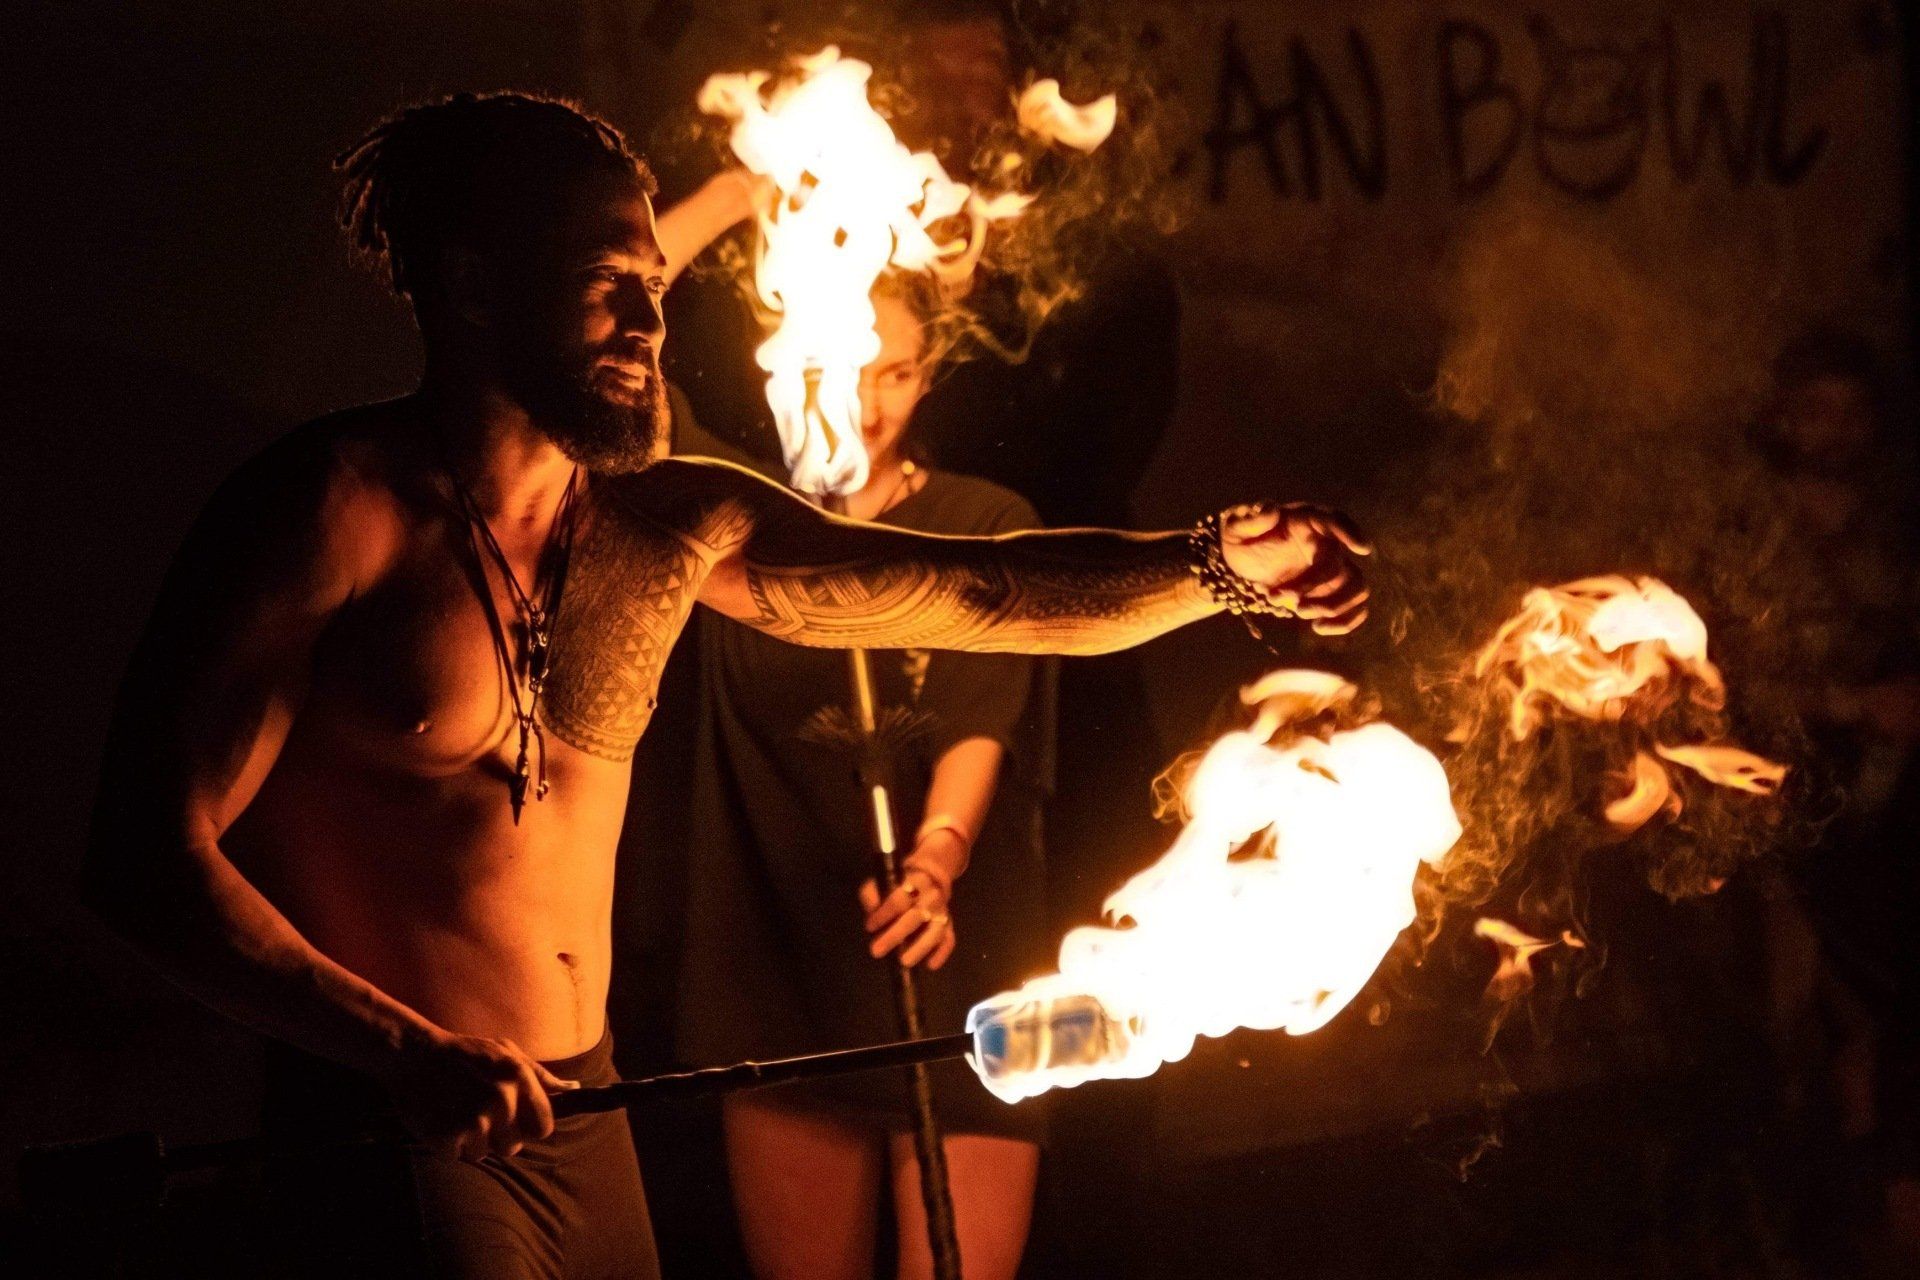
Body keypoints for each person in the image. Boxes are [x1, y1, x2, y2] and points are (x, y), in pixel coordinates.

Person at [81, 92, 1369, 1279]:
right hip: (401, 1122)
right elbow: (143, 857)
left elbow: (982, 592)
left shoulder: (661, 525)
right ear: (473, 287)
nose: (650, 323)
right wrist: (403, 1049)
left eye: (653, 284)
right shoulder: (331, 516)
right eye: (606, 284)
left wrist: (1217, 568)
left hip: (587, 1112)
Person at [675, 275, 1054, 1280]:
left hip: (957, 969)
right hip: (779, 978)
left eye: (897, 372)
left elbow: (981, 717)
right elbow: (608, 358)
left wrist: (935, 858)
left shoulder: (982, 518)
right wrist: (749, 194)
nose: (871, 403)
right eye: (845, 368)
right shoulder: (729, 517)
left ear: (929, 377)